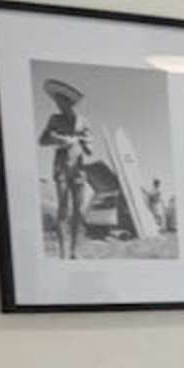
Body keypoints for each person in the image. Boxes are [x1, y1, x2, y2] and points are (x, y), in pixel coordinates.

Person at [37, 77, 151, 255]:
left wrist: (80, 141)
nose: (59, 105)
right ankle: (62, 251)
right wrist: (57, 139)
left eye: (62, 102)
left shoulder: (83, 121)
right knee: (63, 209)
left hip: (79, 170)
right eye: (57, 102)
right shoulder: (55, 119)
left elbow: (90, 149)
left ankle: (74, 250)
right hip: (61, 167)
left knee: (77, 209)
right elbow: (42, 140)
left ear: (69, 102)